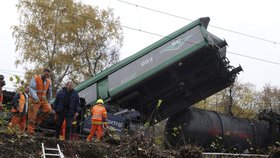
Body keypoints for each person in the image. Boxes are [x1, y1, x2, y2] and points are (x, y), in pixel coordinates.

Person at [27, 68, 53, 134]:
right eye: (45, 74)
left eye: (47, 75)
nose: (46, 75)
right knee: (32, 116)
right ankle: (30, 131)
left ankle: (38, 120)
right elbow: (32, 89)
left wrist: (49, 102)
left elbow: (49, 93)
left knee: (48, 109)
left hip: (43, 100)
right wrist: (35, 98)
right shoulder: (35, 78)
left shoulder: (48, 81)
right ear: (43, 72)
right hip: (34, 100)